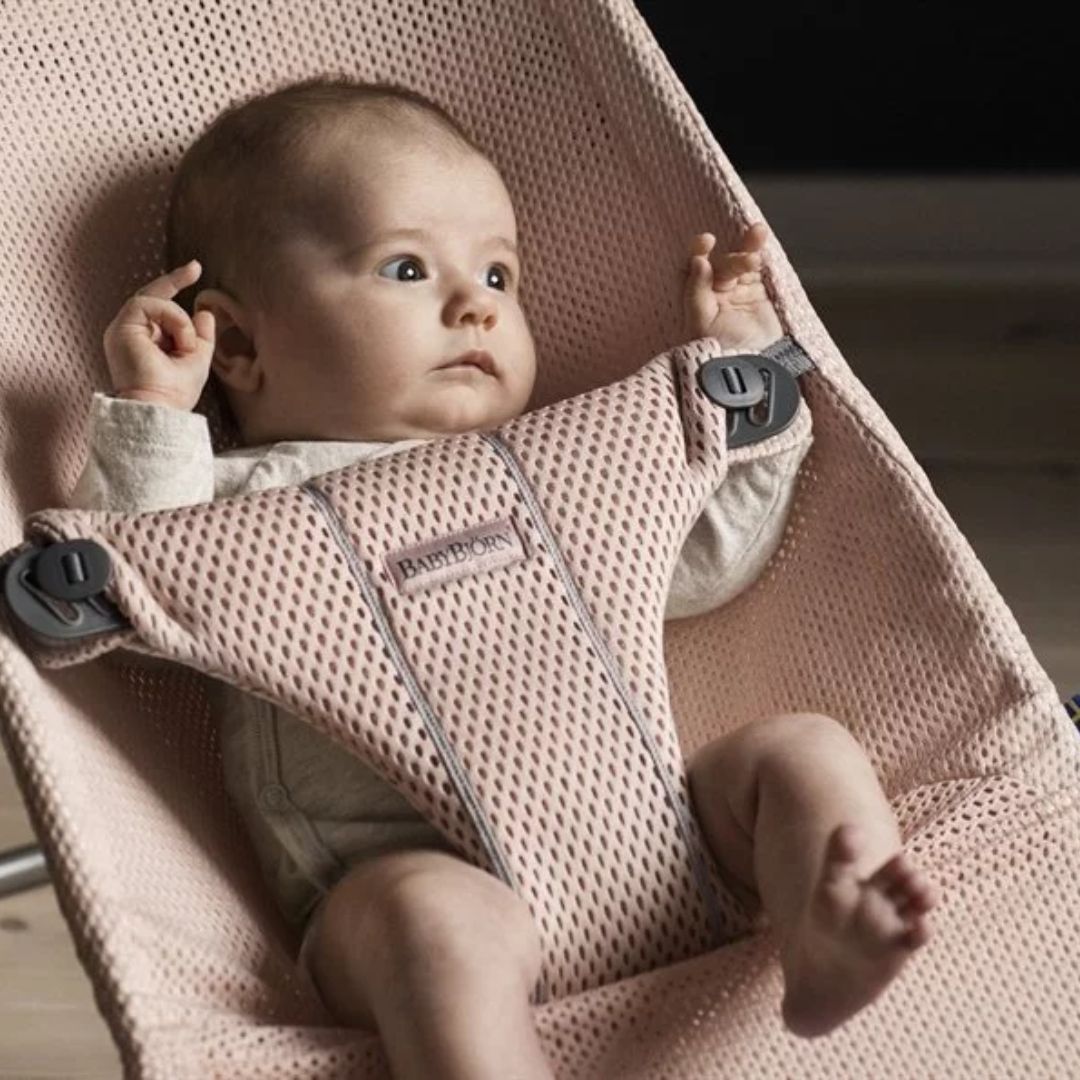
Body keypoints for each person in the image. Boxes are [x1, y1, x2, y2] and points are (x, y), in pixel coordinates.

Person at [71, 75, 938, 1079]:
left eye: (498, 276)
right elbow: (134, 586)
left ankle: (830, 916)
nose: (472, 308)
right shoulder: (239, 500)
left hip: (659, 836)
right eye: (405, 268)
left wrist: (737, 368)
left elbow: (706, 558)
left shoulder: (557, 466)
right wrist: (155, 410)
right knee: (435, 929)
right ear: (246, 344)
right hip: (392, 867)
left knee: (803, 750)